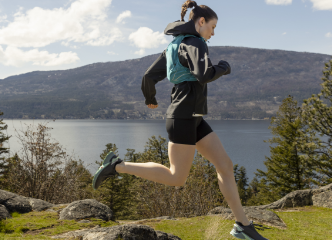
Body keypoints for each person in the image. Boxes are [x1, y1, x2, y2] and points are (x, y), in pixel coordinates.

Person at [93, 1, 269, 239]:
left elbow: (148, 76)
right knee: (177, 178)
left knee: (225, 166)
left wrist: (150, 98)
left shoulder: (173, 46)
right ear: (201, 21)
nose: (213, 33)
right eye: (213, 26)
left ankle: (243, 226)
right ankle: (117, 166)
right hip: (183, 118)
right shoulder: (196, 42)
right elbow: (204, 74)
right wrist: (224, 68)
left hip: (193, 118)